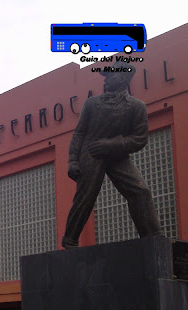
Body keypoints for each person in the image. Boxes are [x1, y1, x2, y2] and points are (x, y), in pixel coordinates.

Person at [61, 60, 162, 249]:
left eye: (111, 76)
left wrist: (112, 145)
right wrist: (73, 159)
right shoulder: (92, 103)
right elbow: (79, 133)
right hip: (91, 153)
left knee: (141, 191)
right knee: (86, 195)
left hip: (117, 155)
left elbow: (140, 138)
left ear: (123, 78)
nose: (105, 81)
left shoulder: (136, 106)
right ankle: (70, 239)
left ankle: (153, 239)